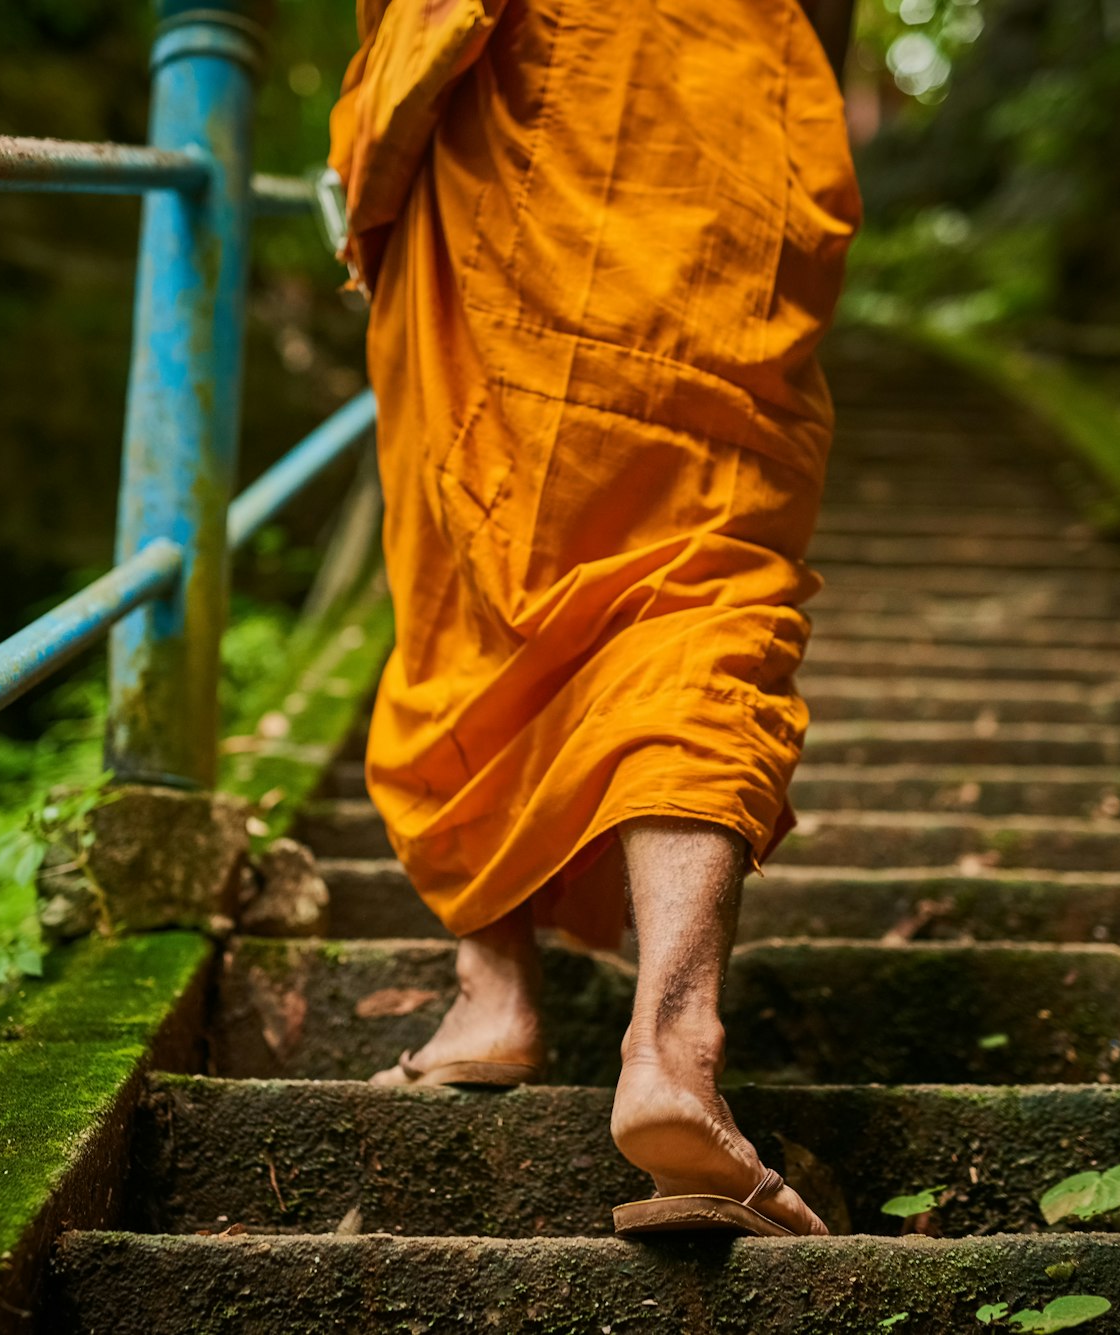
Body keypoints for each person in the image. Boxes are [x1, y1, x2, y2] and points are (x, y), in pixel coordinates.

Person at [327, 0, 861, 1238]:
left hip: (504, 91)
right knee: (700, 565)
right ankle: (672, 1048)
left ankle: (493, 995)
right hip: (722, 100)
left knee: (475, 547)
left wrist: (380, 134)